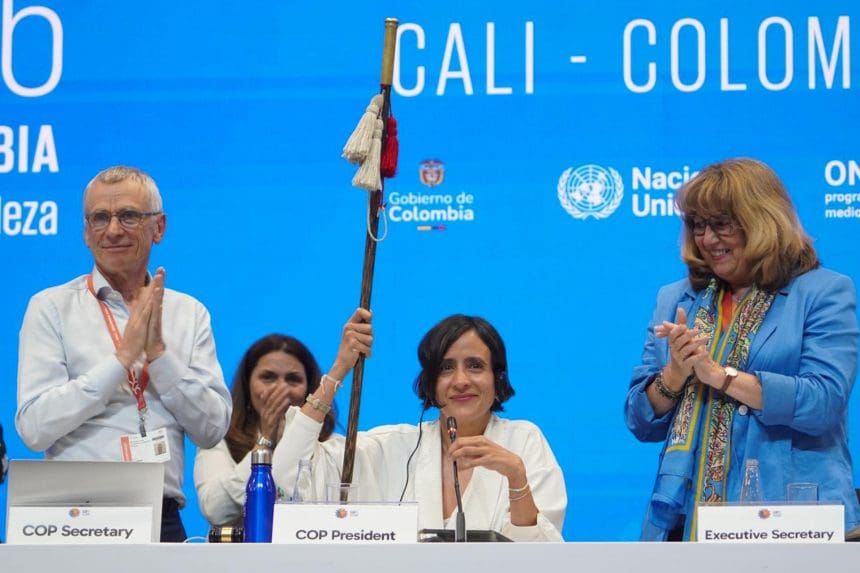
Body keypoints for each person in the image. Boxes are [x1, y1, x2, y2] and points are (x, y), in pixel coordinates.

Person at [625, 158, 860, 541]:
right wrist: (674, 374)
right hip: (682, 521)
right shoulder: (676, 299)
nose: (707, 239)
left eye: (721, 224)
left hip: (791, 522)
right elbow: (639, 419)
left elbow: (823, 403)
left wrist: (719, 376)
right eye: (698, 225)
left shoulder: (823, 292)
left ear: (762, 219)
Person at [15, 166, 232, 542]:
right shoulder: (50, 307)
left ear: (159, 227)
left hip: (160, 518)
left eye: (128, 216)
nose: (112, 230)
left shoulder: (189, 313)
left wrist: (159, 356)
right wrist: (120, 361)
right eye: (100, 217)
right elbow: (34, 428)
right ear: (86, 232)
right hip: (71, 517)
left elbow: (212, 429)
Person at [272, 312, 566, 542]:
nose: (461, 380)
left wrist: (516, 477)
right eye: (446, 367)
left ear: (498, 378)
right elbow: (289, 473)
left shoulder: (523, 441)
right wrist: (340, 368)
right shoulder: (391, 446)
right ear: (430, 383)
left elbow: (538, 553)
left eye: (475, 366)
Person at [193, 333, 339, 526]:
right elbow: (215, 510)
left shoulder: (328, 445)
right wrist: (265, 443)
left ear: (310, 389)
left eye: (293, 379)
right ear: (248, 385)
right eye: (268, 378)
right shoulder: (220, 440)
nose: (280, 389)